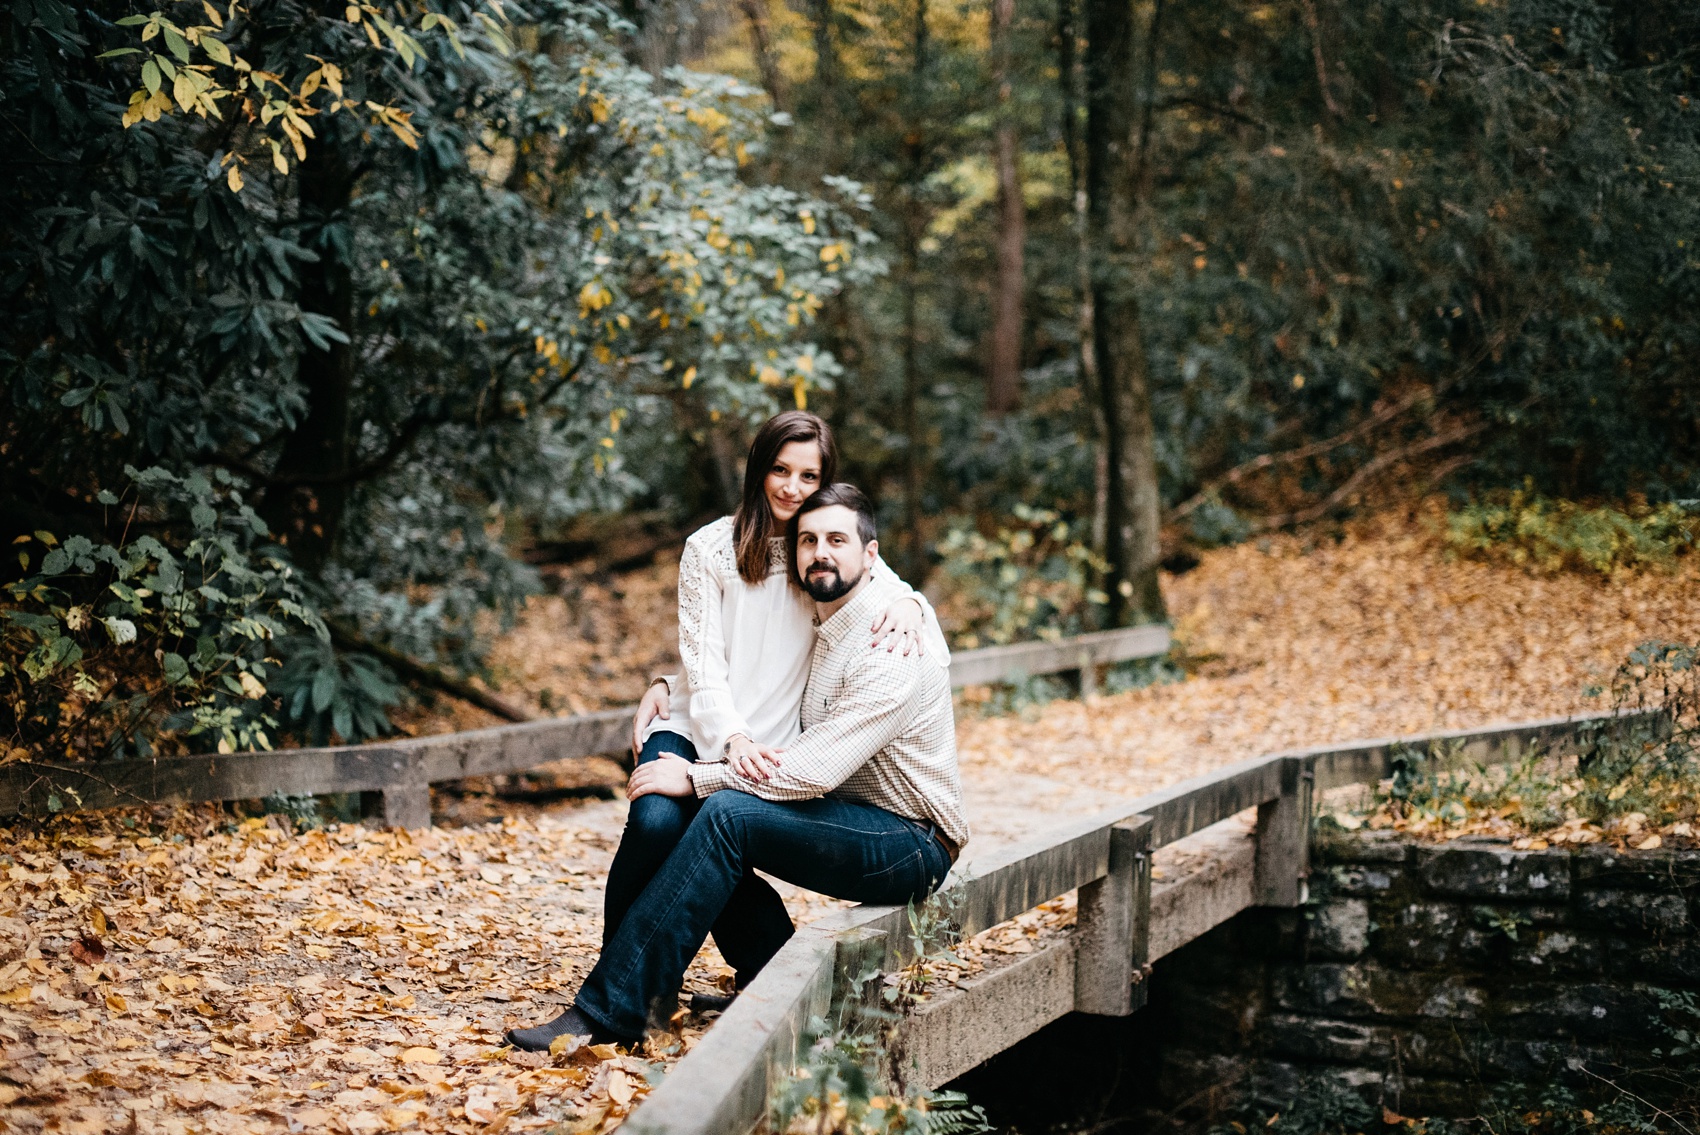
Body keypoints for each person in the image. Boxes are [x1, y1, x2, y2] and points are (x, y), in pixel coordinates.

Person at [506, 483, 967, 1049]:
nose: (821, 552)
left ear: (870, 557)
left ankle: (611, 1010)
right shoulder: (824, 616)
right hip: (856, 816)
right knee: (712, 825)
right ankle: (769, 974)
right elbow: (748, 660)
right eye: (809, 540)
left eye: (837, 540)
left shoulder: (889, 645)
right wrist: (670, 685)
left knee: (724, 812)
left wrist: (697, 776)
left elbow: (815, 770)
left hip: (912, 842)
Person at [605, 413, 947, 1009]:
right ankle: (622, 977)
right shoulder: (710, 548)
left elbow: (893, 597)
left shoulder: (818, 547)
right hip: (698, 722)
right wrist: (692, 706)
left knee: (709, 826)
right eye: (780, 470)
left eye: (807, 475)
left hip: (772, 747)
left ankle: (747, 974)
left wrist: (917, 607)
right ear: (759, 468)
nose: (791, 488)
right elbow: (704, 661)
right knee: (657, 821)